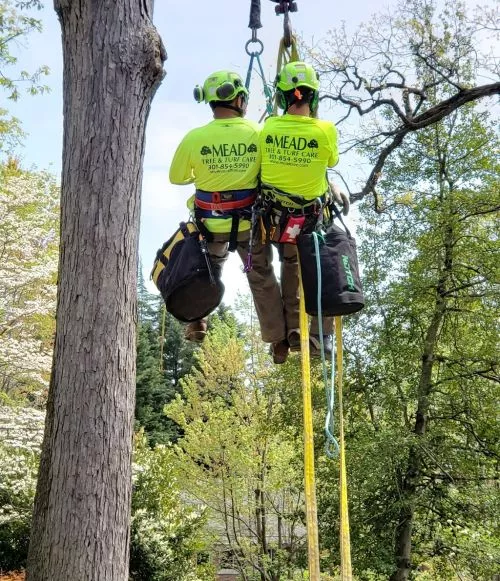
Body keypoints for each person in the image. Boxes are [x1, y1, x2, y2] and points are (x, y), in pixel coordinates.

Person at [169, 70, 289, 364]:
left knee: (205, 270)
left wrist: (210, 171)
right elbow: (273, 171)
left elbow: (177, 177)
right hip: (249, 225)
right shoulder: (258, 133)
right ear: (238, 99)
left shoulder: (195, 137)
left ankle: (196, 319)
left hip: (210, 225)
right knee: (261, 277)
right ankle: (277, 341)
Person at [255, 60, 342, 359]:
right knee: (320, 266)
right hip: (310, 221)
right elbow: (330, 163)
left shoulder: (267, 129)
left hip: (275, 221)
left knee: (283, 266)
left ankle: (288, 332)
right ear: (313, 97)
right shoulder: (326, 130)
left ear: (281, 98)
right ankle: (318, 335)